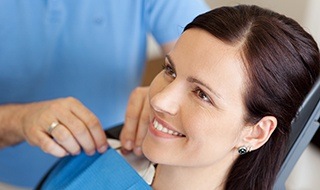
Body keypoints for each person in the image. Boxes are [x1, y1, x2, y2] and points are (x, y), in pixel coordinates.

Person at [0, 0, 209, 188]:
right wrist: (18, 120)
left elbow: (211, 57)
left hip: (105, 170)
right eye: (169, 71)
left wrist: (163, 90)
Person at [119, 4, 320, 190]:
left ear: (255, 133)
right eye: (170, 70)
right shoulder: (97, 162)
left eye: (202, 95)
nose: (159, 100)